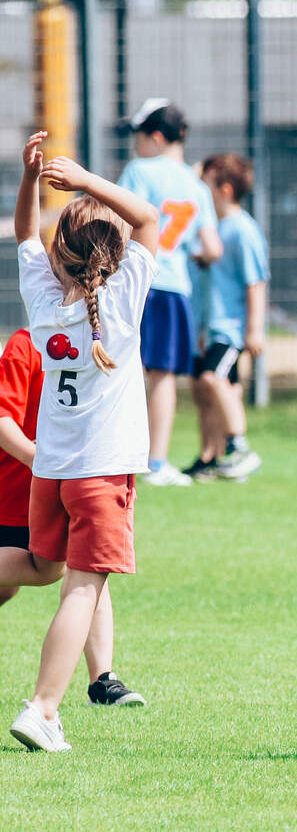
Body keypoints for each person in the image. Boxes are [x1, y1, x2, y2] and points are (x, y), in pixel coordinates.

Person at [10, 131, 158, 751]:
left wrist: (31, 179)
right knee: (82, 586)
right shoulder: (123, 300)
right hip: (99, 474)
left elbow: (24, 233)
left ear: (58, 255)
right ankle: (43, 708)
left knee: (43, 567)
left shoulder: (43, 301)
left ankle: (49, 705)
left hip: (50, 472)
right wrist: (88, 180)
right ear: (116, 255)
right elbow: (148, 217)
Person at [0, 328, 145, 707]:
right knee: (28, 579)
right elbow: (2, 418)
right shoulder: (26, 344)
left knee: (89, 566)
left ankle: (103, 680)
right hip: (15, 495)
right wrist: (42, 460)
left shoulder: (99, 342)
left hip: (69, 481)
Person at [116, 98, 222, 486]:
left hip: (137, 281)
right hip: (174, 288)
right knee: (163, 378)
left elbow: (120, 219)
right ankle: (157, 462)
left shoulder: (139, 170)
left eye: (139, 137)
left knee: (119, 366)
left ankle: (118, 455)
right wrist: (187, 253)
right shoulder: (197, 187)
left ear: (157, 138)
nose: (136, 146)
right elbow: (212, 248)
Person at [182, 154, 269, 483]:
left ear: (225, 190)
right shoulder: (211, 228)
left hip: (230, 329)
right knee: (205, 390)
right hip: (208, 328)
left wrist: (254, 329)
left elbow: (255, 282)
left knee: (213, 380)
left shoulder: (242, 230)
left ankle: (240, 448)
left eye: (205, 184)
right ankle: (210, 457)